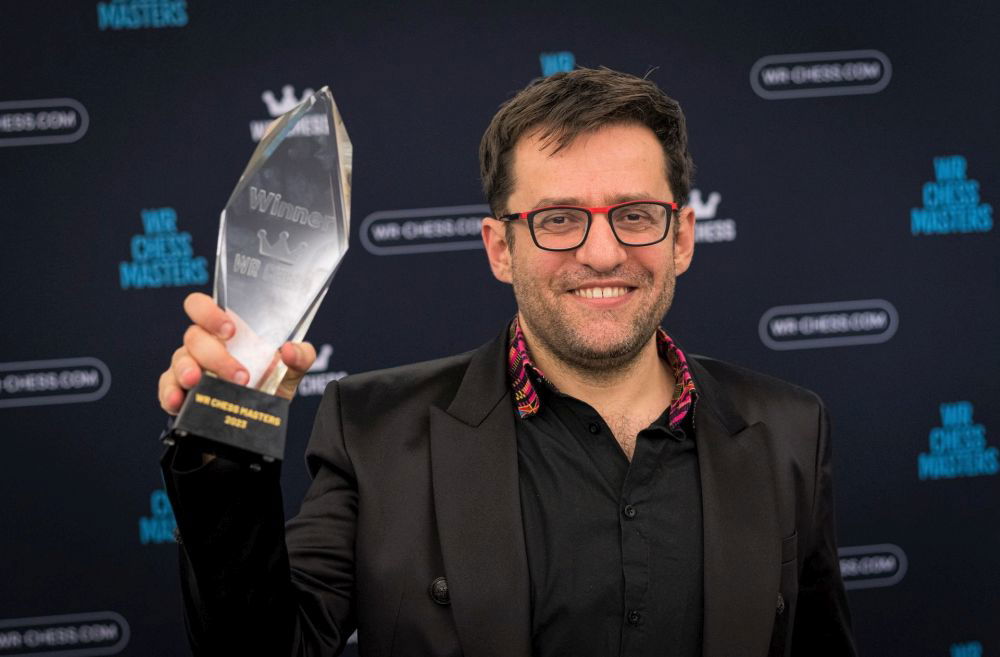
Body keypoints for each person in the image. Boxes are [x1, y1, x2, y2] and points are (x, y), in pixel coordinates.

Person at [158, 67, 857, 657]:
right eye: (558, 219)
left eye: (636, 214)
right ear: (500, 248)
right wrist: (225, 432)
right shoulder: (374, 433)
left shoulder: (790, 431)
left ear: (681, 237)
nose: (603, 252)